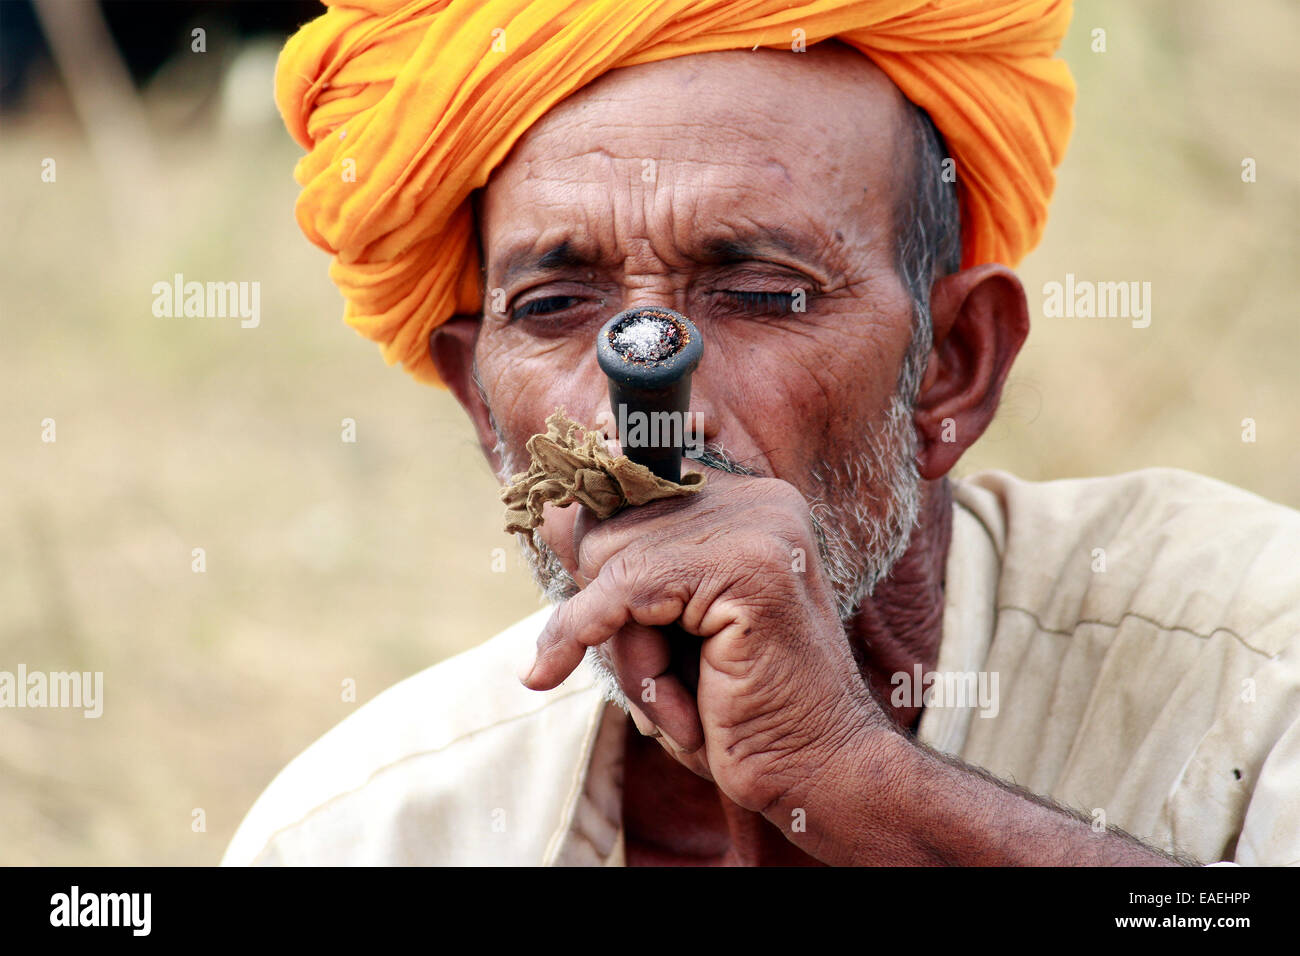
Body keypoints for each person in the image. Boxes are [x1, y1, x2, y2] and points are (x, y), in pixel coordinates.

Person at [222, 0, 1300, 866]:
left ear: (953, 364)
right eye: (553, 306)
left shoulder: (1255, 671)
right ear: (478, 404)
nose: (644, 397)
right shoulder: (362, 832)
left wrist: (860, 787)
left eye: (759, 291)